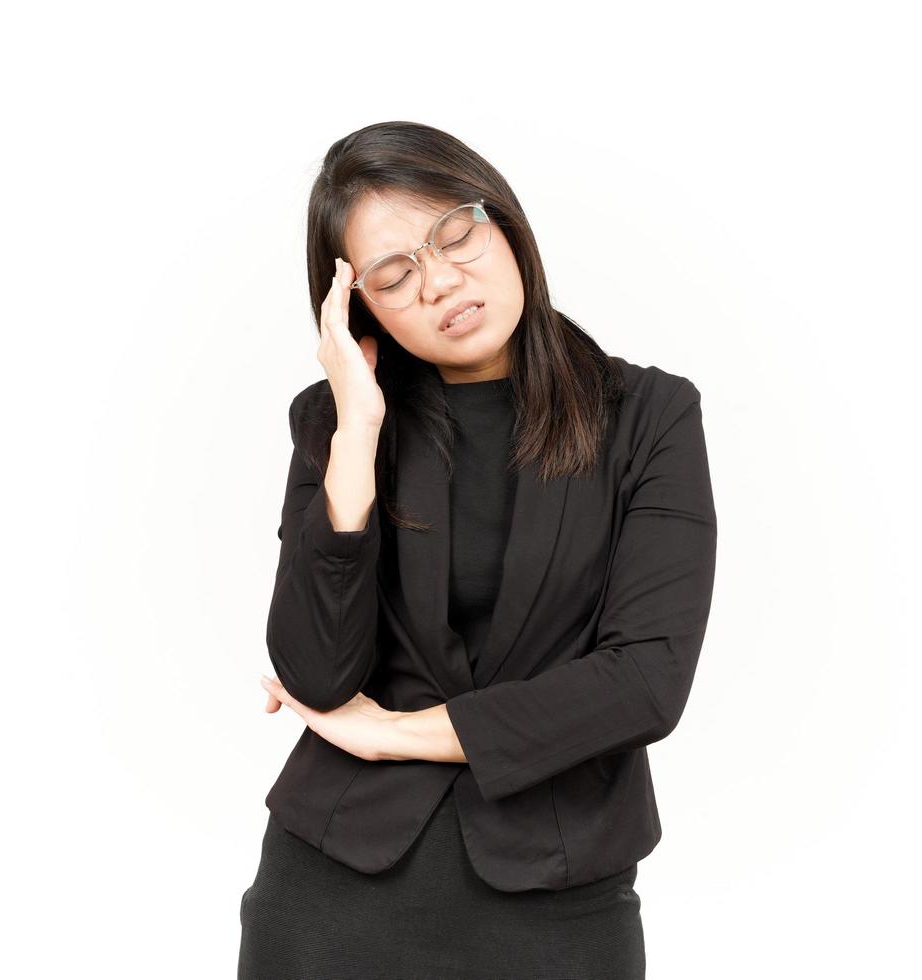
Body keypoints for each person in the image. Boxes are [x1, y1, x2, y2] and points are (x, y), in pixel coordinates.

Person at [237, 121, 718, 979]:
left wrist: (397, 735)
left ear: (501, 221)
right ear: (358, 308)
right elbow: (314, 672)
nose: (441, 282)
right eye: (394, 273)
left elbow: (644, 683)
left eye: (454, 234)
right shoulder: (335, 422)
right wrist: (356, 431)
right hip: (329, 900)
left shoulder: (650, 418)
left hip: (558, 903)